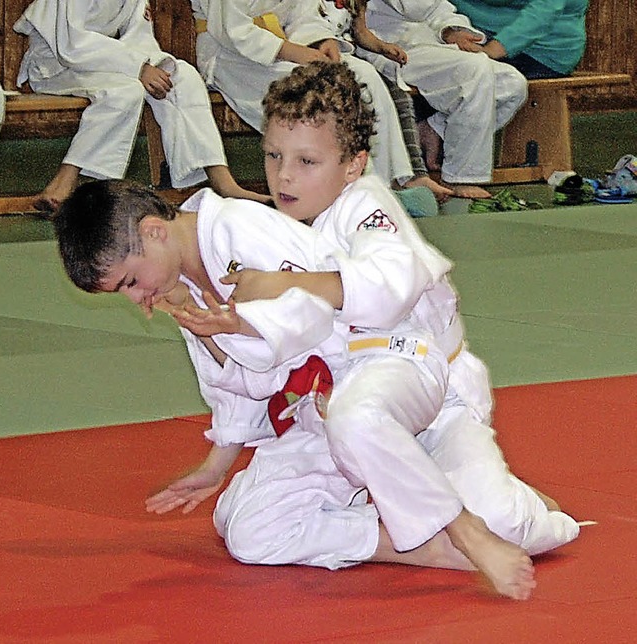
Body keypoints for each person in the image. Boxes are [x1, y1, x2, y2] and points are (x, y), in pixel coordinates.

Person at [53, 175, 549, 600]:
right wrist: (214, 468)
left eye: (130, 282)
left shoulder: (238, 227)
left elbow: (309, 319)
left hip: (382, 366)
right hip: (318, 406)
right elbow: (240, 386)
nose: (138, 296)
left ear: (153, 231)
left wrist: (234, 327)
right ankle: (419, 546)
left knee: (502, 519)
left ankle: (472, 528)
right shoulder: (182, 280)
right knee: (249, 530)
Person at [220, 59, 579, 568]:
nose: (282, 176)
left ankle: (520, 508)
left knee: (502, 525)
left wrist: (290, 282)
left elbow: (387, 286)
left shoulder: (370, 210)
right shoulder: (276, 231)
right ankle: (404, 524)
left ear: (353, 164)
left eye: (306, 161)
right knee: (247, 528)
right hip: (335, 416)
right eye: (274, 155)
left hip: (432, 404)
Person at [13, 0, 268, 213]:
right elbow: (72, 43)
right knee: (124, 92)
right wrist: (139, 68)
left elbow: (138, 38)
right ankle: (68, 179)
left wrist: (154, 66)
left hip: (106, 64)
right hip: (55, 65)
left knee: (184, 76)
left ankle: (222, 180)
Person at [190, 0, 433, 194]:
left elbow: (304, 11)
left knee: (363, 74)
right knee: (317, 87)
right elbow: (229, 28)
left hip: (287, 45)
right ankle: (345, 189)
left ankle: (385, 184)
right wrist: (292, 52)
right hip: (232, 56)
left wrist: (320, 39)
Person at [361, 0, 528, 198]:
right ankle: (460, 176)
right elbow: (413, 7)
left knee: (512, 84)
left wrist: (450, 29)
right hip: (384, 47)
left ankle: (434, 127)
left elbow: (436, 8)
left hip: (427, 44)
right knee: (474, 69)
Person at [318, 0, 453, 203]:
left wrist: (382, 47)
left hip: (350, 54)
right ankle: (381, 183)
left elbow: (360, 31)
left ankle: (409, 175)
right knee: (368, 95)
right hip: (318, 57)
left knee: (399, 96)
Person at [452, 0, 589, 79]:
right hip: (468, 30)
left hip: (538, 51)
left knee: (459, 75)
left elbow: (543, 13)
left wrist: (492, 50)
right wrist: (449, 30)